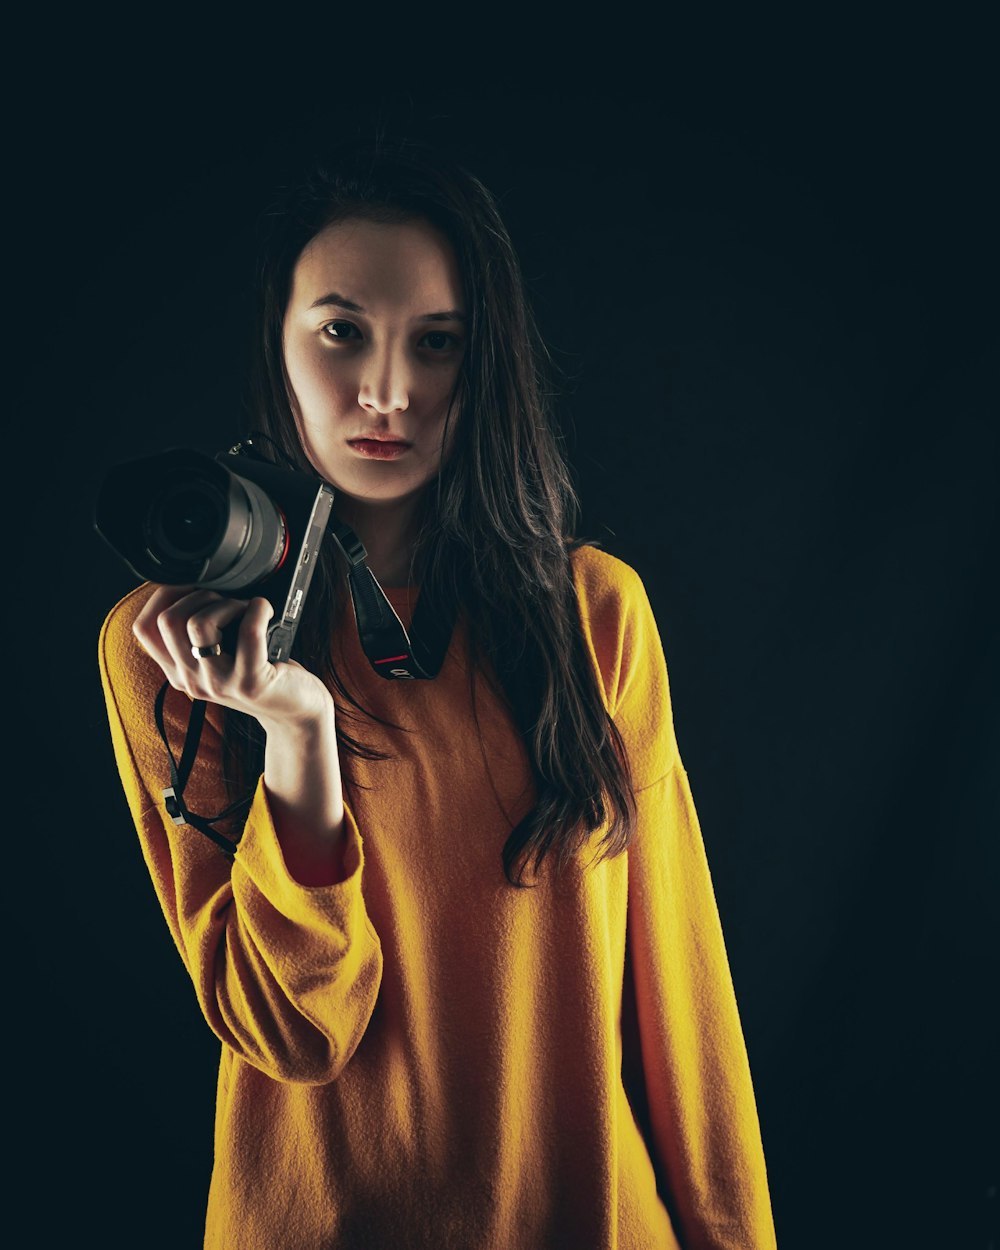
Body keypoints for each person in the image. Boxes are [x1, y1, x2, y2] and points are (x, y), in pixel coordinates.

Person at [97, 138, 778, 1250]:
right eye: (341, 331)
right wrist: (297, 736)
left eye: (437, 343)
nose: (385, 390)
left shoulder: (592, 614)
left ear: (486, 358)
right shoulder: (167, 646)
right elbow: (292, 1030)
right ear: (278, 343)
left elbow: (682, 990)